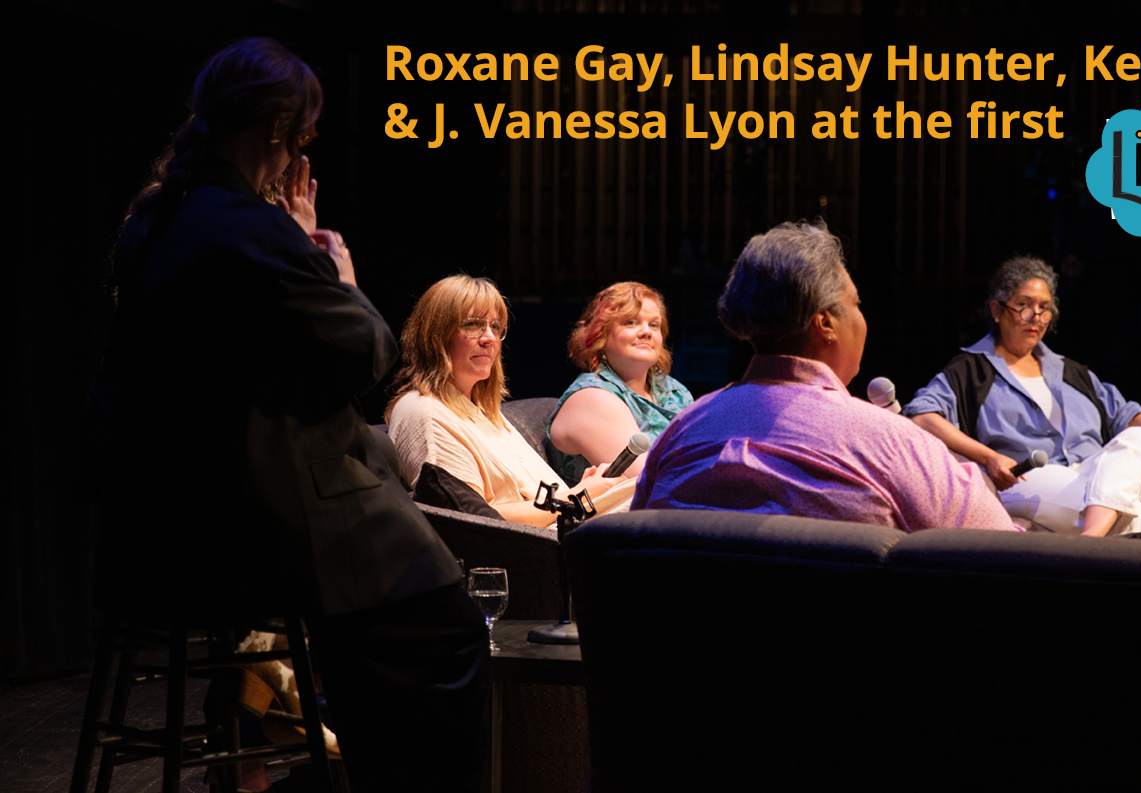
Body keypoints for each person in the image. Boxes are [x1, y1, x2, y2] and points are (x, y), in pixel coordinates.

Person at [97, 38, 488, 792]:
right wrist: (336, 273)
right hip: (258, 523)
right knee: (448, 628)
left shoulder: (157, 221)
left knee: (380, 633)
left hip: (161, 523)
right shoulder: (245, 227)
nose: (298, 155)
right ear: (277, 130)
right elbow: (371, 355)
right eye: (302, 136)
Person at [632, 220, 1019, 532]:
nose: (862, 318)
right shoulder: (895, 444)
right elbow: (1004, 558)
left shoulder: (681, 432)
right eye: (855, 304)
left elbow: (634, 551)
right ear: (825, 323)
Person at [904, 256, 1141, 536]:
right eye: (1024, 306)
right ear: (998, 310)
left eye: (1044, 309)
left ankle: (1088, 545)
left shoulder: (1072, 372)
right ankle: (1099, 537)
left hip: (1091, 474)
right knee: (1135, 516)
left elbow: (1129, 417)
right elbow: (921, 416)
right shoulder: (971, 371)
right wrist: (988, 457)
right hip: (1029, 479)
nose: (1036, 318)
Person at [386, 275, 634, 523]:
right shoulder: (424, 413)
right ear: (435, 335)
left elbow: (548, 499)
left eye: (495, 327)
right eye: (472, 325)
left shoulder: (482, 411)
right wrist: (582, 495)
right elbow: (473, 524)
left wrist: (588, 489)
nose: (489, 338)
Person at [546, 281, 694, 485]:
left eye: (654, 325)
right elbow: (653, 483)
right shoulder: (590, 398)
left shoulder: (675, 391)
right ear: (601, 333)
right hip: (614, 515)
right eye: (631, 322)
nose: (646, 332)